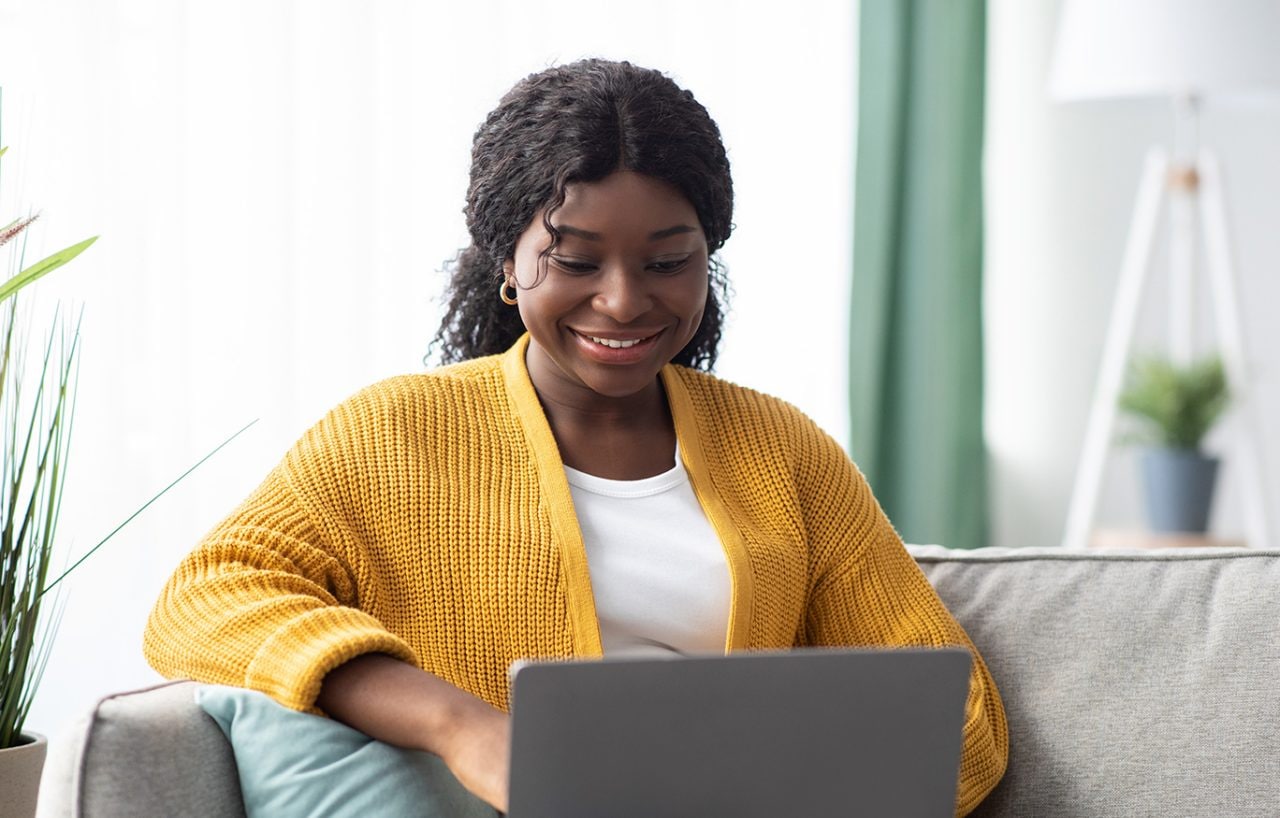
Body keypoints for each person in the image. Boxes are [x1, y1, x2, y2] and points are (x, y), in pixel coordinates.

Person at [144, 59, 1008, 815]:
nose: (625, 300)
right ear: (506, 264)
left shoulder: (781, 449)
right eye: (576, 260)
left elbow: (960, 719)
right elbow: (205, 599)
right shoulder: (395, 433)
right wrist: (463, 728)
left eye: (668, 261)